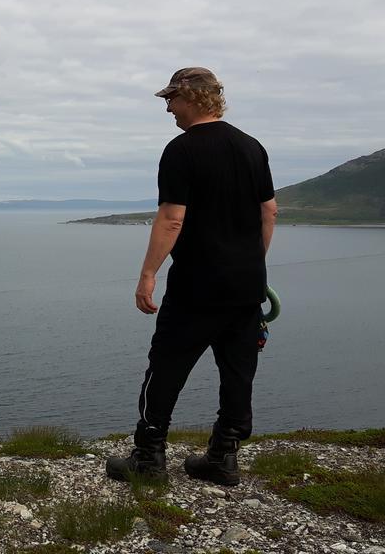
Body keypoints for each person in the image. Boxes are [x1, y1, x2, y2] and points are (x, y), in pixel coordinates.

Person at [107, 67, 277, 485]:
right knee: (238, 371)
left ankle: (148, 458)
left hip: (197, 285)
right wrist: (251, 262)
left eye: (172, 99)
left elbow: (171, 218)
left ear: (196, 98)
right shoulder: (252, 147)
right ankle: (223, 457)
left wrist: (148, 274)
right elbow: (268, 211)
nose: (167, 107)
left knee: (165, 367)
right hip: (244, 287)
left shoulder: (181, 150)